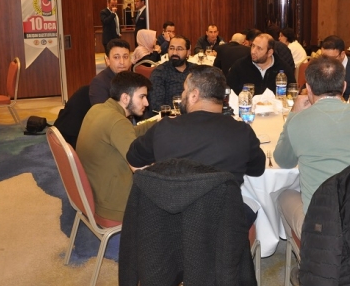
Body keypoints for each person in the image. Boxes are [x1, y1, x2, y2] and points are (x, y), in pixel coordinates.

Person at [126, 65, 265, 228]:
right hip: (221, 228)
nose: (182, 94)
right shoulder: (242, 132)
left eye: (184, 90)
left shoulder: (163, 129)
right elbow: (257, 170)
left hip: (170, 225)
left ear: (193, 95)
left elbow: (133, 159)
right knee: (253, 204)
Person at [274, 56, 350, 238]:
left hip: (324, 228)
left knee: (283, 194)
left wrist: (293, 114)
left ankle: (304, 250)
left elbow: (283, 161)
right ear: (344, 87)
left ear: (308, 88)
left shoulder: (298, 121)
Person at [77, 71, 157, 222]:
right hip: (115, 206)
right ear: (125, 98)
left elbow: (127, 131)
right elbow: (141, 169)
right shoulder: (118, 122)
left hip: (95, 192)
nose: (147, 103)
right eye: (142, 97)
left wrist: (157, 123)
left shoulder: (98, 109)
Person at [226, 33, 296, 95]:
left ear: (269, 53)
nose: (253, 51)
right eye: (253, 46)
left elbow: (291, 93)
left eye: (259, 48)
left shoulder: (283, 68)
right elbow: (228, 91)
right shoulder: (240, 66)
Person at [148, 35, 194, 113]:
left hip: (195, 115)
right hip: (170, 117)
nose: (174, 52)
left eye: (179, 49)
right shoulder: (160, 72)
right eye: (171, 48)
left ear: (188, 52)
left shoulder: (195, 71)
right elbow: (156, 106)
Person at [89, 39, 131, 105]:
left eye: (125, 57)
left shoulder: (133, 78)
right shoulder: (99, 82)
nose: (122, 62)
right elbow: (102, 110)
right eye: (116, 57)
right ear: (108, 60)